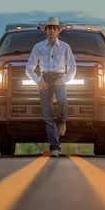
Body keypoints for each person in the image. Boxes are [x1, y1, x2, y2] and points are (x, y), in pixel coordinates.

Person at [26, 16, 76, 157]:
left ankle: (62, 121)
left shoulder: (65, 47)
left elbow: (72, 67)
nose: (52, 31)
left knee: (62, 101)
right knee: (47, 115)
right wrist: (37, 81)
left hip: (59, 79)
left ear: (58, 31)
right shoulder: (39, 47)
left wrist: (65, 79)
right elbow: (29, 67)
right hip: (45, 80)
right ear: (46, 31)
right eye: (49, 28)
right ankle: (55, 147)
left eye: (54, 28)